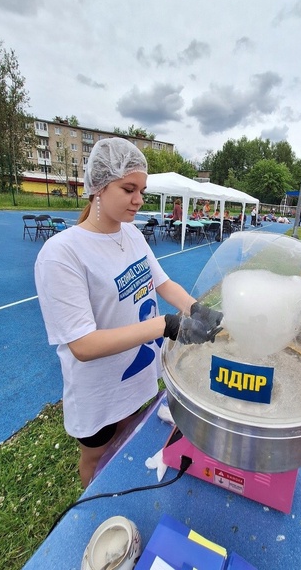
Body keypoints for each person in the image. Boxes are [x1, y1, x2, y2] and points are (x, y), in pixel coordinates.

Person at [34, 137, 223, 487]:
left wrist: (195, 308)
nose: (139, 200)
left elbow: (163, 283)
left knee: (127, 441)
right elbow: (83, 345)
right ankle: (89, 507)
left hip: (134, 374)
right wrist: (165, 324)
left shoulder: (131, 235)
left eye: (142, 190)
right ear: (98, 188)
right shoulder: (62, 254)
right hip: (98, 388)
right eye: (129, 189)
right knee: (95, 457)